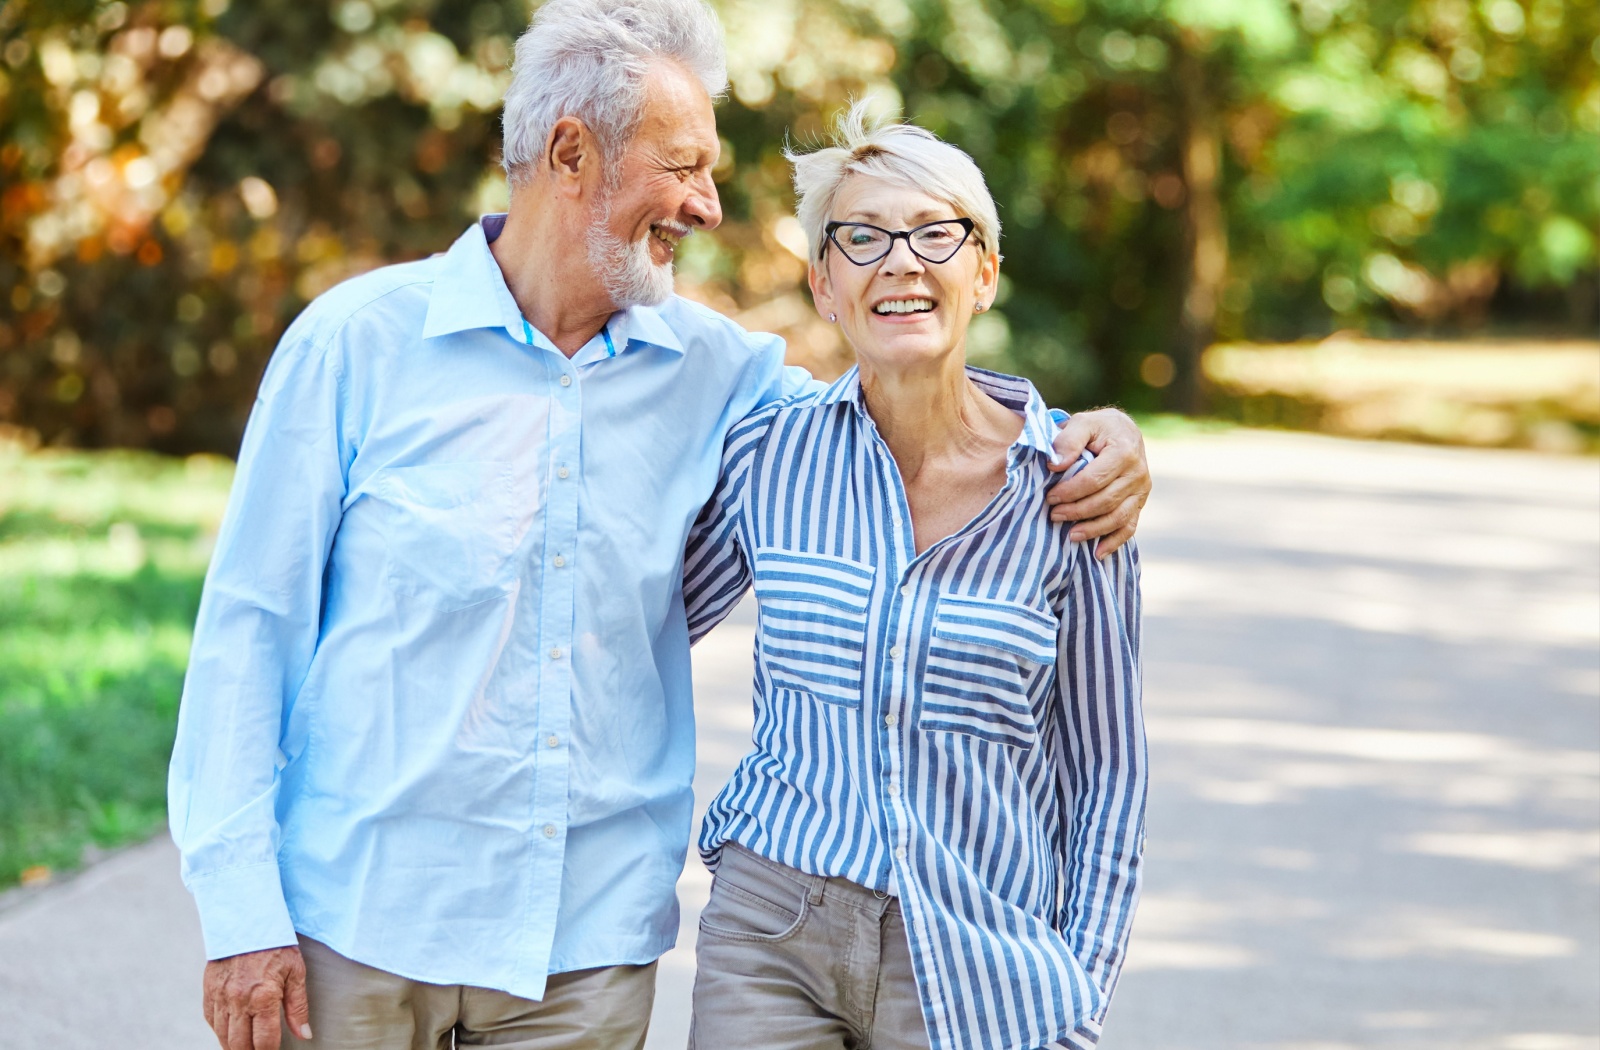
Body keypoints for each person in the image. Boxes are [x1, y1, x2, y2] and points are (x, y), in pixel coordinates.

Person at [166, 3, 1153, 1049]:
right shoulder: (355, 347)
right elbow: (247, 635)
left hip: (582, 955)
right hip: (360, 928)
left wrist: (1088, 435)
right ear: (570, 152)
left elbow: (900, 388)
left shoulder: (721, 378)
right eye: (685, 166)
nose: (710, 206)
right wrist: (240, 919)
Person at [680, 106, 1146, 1050]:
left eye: (937, 233)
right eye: (861, 238)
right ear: (823, 284)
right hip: (772, 931)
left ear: (984, 273)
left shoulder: (1072, 489)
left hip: (978, 958)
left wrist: (1076, 989)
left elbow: (1108, 773)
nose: (900, 261)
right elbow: (631, 625)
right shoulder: (768, 455)